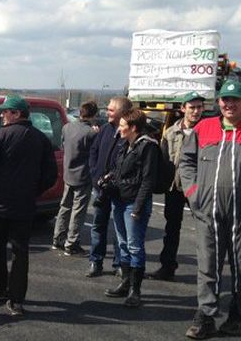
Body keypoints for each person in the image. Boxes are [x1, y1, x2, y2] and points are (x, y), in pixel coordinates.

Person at [0, 94, 57, 317]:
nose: (2, 115)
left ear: (17, 114)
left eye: (6, 111)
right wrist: (35, 191)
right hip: (24, 204)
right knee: (21, 251)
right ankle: (16, 300)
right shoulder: (41, 139)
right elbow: (50, 174)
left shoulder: (1, 135)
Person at [180, 80, 241, 339]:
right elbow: (186, 162)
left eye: (235, 99)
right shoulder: (203, 128)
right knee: (208, 266)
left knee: (239, 265)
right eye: (225, 99)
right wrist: (194, 194)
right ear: (218, 102)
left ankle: (236, 316)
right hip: (208, 213)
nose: (229, 104)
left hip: (239, 215)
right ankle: (205, 316)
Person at [103, 109, 159, 307]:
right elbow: (118, 169)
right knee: (122, 243)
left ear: (133, 127)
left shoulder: (148, 147)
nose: (119, 128)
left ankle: (136, 290)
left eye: (122, 125)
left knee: (135, 246)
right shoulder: (124, 145)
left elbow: (147, 180)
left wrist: (137, 207)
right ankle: (125, 283)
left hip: (134, 203)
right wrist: (108, 178)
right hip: (119, 200)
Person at [147, 91, 205, 281]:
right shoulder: (171, 132)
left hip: (198, 189)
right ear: (183, 109)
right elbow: (165, 159)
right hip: (175, 188)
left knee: (206, 231)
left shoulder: (207, 129)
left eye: (199, 107)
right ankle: (167, 267)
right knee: (171, 229)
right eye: (192, 107)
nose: (196, 111)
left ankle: (207, 272)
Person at [86, 96, 133, 277]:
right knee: (98, 225)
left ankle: (119, 264)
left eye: (112, 110)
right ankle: (95, 261)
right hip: (100, 188)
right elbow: (93, 151)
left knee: (120, 229)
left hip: (119, 190)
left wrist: (114, 179)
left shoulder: (128, 133)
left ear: (122, 113)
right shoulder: (105, 130)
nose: (107, 112)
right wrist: (94, 173)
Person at [52, 101, 99, 256]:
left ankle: (58, 238)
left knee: (64, 207)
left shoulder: (67, 127)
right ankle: (71, 243)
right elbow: (95, 155)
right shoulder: (91, 133)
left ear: (80, 112)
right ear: (93, 115)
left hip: (68, 174)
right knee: (78, 211)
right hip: (83, 176)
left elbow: (63, 145)